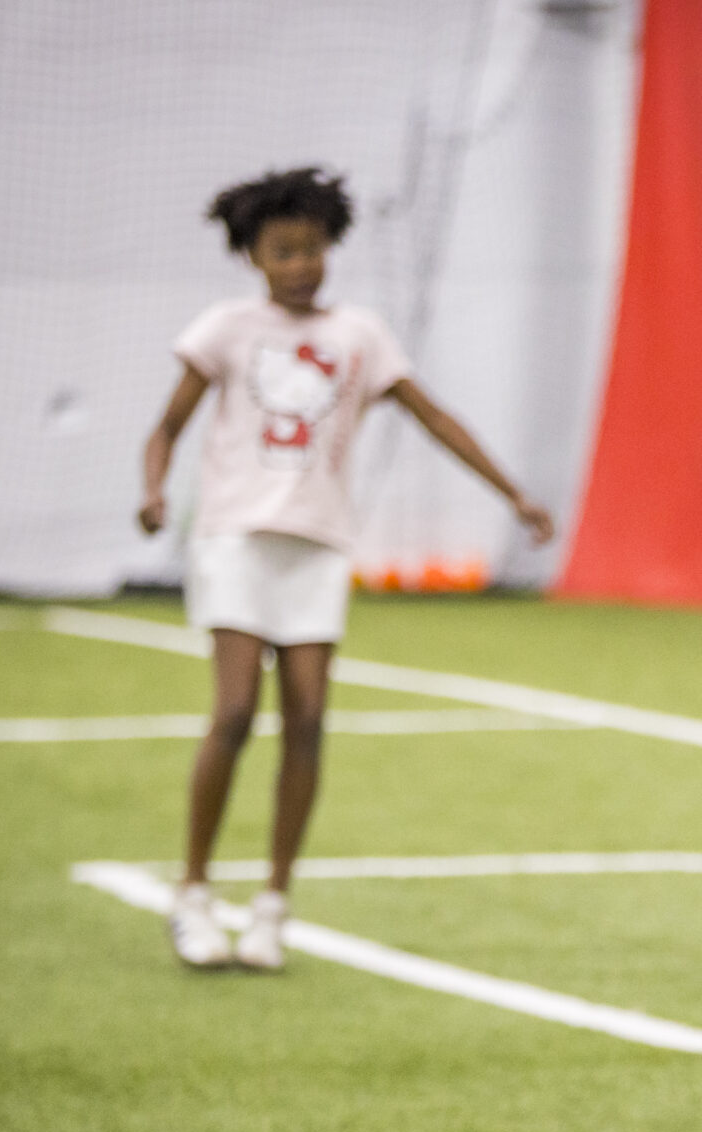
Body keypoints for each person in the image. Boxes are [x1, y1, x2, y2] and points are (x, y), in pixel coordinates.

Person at [137, 165, 555, 970]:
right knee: (234, 711)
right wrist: (154, 491)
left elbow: (435, 418)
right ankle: (193, 893)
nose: (300, 265)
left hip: (319, 546)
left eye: (312, 249)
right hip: (237, 539)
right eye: (282, 251)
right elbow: (166, 427)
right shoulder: (226, 328)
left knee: (307, 719)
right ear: (253, 256)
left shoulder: (361, 335)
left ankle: (272, 905)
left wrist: (514, 495)